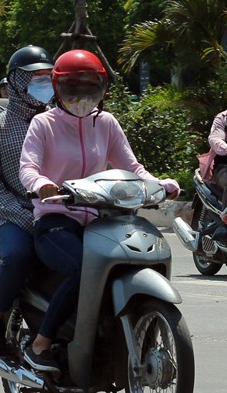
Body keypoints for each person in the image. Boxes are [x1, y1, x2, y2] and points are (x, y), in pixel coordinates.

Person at [18, 49, 180, 372]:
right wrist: (42, 185)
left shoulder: (106, 124)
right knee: (83, 269)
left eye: (89, 89)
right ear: (57, 88)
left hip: (101, 223)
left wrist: (159, 184)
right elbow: (28, 168)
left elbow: (132, 167)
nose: (81, 97)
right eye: (72, 88)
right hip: (55, 221)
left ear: (102, 89)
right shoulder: (43, 124)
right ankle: (41, 343)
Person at [0, 45, 54, 350]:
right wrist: (21, 213)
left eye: (49, 77)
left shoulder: (60, 122)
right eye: (36, 78)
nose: (44, 84)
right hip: (12, 216)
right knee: (19, 255)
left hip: (60, 211)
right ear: (17, 82)